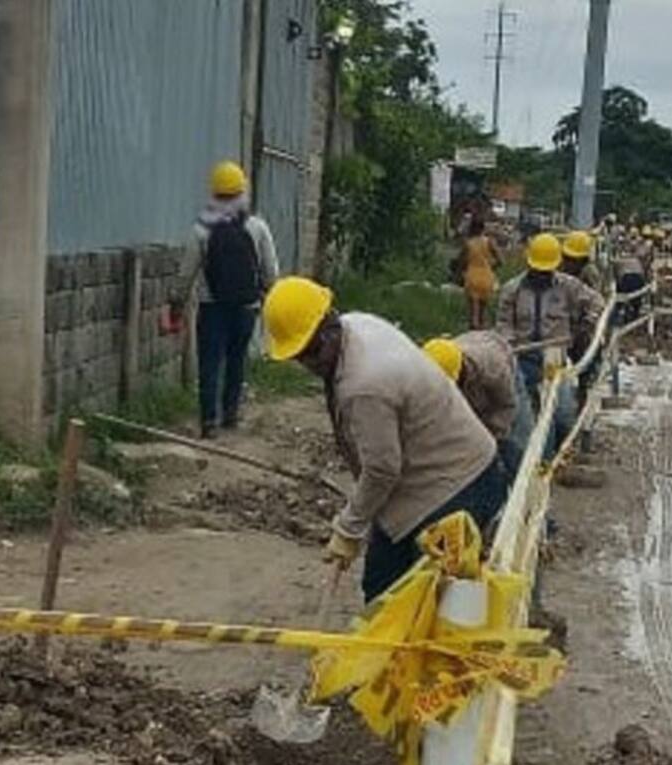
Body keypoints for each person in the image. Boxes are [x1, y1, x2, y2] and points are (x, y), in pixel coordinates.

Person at [262, 277, 505, 604]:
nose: (310, 363)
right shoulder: (356, 324)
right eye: (300, 356)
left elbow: (381, 469)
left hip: (457, 487)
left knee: (432, 602)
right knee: (382, 587)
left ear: (330, 323)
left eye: (314, 351)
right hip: (437, 478)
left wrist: (348, 528)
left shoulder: (364, 384)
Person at [178, 161, 279, 439]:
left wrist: (176, 302)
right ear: (242, 191)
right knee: (236, 360)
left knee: (210, 362)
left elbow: (186, 271)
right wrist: (269, 295)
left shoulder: (201, 229)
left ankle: (208, 421)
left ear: (214, 193)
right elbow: (271, 271)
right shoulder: (257, 227)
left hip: (212, 307)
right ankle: (231, 415)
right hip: (247, 307)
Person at [496, 234, 605, 456]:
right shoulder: (512, 289)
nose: (542, 275)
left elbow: (597, 301)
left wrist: (586, 323)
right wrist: (509, 345)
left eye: (546, 270)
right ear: (529, 263)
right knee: (522, 418)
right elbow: (504, 325)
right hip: (521, 359)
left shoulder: (568, 286)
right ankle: (534, 463)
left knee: (563, 415)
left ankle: (559, 453)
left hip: (554, 357)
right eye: (538, 270)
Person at [423, 334, 532, 485]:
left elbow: (506, 406)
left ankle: (522, 486)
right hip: (472, 374)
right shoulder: (428, 368)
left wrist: (493, 440)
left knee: (516, 441)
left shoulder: (492, 367)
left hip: (505, 377)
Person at [455, 217, 502, 330]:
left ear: (471, 228)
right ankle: (481, 331)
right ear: (483, 229)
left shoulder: (468, 244)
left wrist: (459, 275)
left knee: (473, 313)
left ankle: (473, 331)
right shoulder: (489, 242)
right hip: (486, 277)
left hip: (472, 277)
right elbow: (500, 260)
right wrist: (491, 268)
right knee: (482, 312)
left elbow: (460, 263)